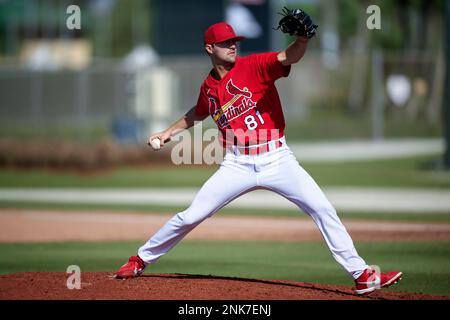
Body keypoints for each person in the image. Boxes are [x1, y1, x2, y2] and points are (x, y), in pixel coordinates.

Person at [115, 18, 402, 295]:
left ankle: (362, 275)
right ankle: (140, 260)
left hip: (277, 158)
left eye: (234, 41)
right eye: (225, 42)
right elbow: (199, 111)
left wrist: (301, 39)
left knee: (322, 208)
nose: (232, 46)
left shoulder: (254, 65)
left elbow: (288, 57)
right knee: (191, 215)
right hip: (236, 163)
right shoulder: (209, 87)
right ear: (209, 49)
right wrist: (168, 132)